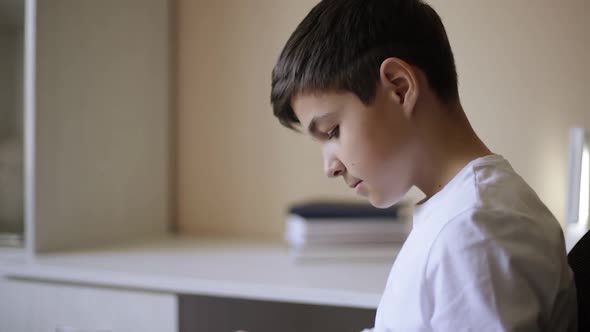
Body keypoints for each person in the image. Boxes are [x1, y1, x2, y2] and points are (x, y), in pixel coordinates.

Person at [269, 0, 578, 331]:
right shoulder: (460, 215)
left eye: (332, 132)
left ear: (399, 89)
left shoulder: (474, 233)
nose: (329, 167)